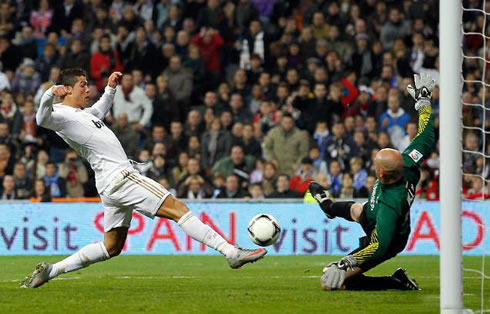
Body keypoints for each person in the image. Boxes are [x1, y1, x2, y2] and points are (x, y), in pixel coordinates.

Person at [21, 68, 266, 289]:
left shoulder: (82, 115)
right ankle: (230, 252)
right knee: (178, 209)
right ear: (68, 90)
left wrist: (110, 89)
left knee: (112, 247)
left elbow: (98, 112)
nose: (88, 88)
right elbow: (41, 119)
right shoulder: (61, 115)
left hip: (110, 184)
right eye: (83, 84)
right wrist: (50, 93)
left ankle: (53, 270)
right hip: (122, 177)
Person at [308, 73, 436, 291]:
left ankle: (396, 282)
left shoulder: (390, 206)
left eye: (376, 166)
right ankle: (328, 206)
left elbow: (379, 245)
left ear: (382, 175)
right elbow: (427, 134)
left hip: (386, 236)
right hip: (371, 213)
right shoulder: (407, 161)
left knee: (331, 283)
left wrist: (346, 262)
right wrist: (423, 102)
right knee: (358, 210)